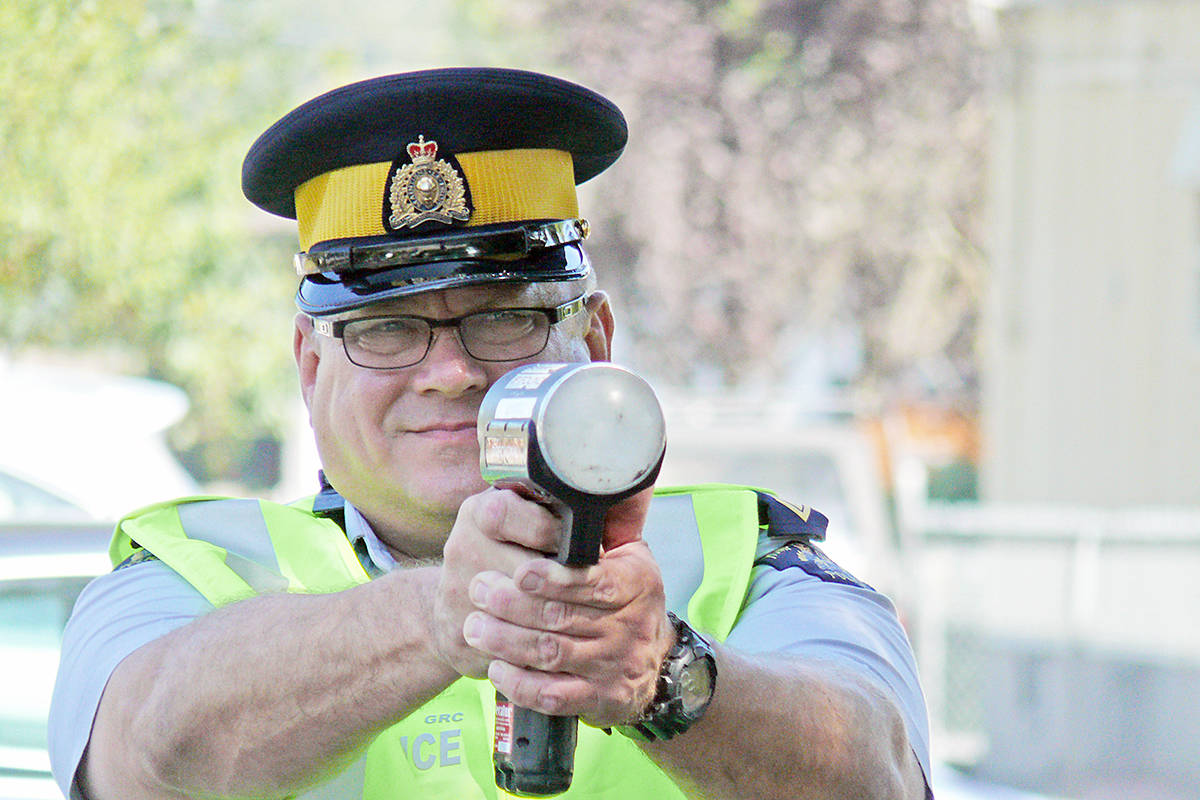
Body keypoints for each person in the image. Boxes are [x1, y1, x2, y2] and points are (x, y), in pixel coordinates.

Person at [48, 67, 933, 799]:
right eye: (386, 328)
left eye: (503, 318)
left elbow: (879, 773)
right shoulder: (186, 569)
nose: (449, 372)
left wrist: (665, 673)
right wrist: (440, 614)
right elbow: (145, 761)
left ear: (593, 341)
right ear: (312, 365)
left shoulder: (751, 561)